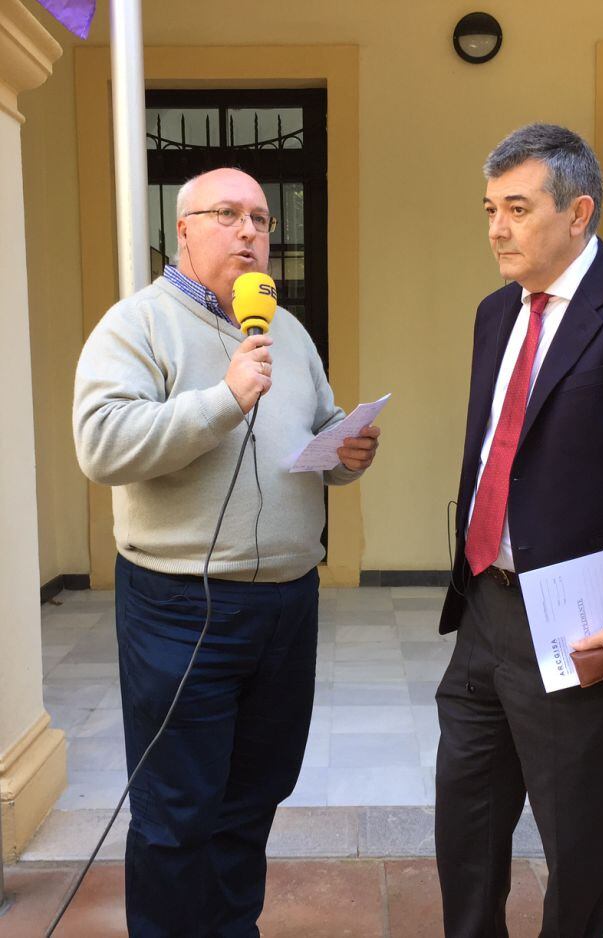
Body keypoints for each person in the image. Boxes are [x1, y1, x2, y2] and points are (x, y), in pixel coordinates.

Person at [73, 167, 380, 937]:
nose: (250, 231)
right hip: (181, 604)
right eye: (228, 215)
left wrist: (347, 448)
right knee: (178, 809)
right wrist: (222, 400)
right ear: (183, 230)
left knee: (254, 795)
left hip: (286, 602)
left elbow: (314, 424)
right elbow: (102, 444)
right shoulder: (136, 325)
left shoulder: (287, 330)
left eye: (262, 219)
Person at [435, 124, 603, 938]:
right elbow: (499, 450)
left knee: (577, 840)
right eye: (490, 208)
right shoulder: (497, 313)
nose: (496, 227)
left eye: (517, 209)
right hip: (486, 606)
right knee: (466, 821)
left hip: (580, 621)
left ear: (579, 212)